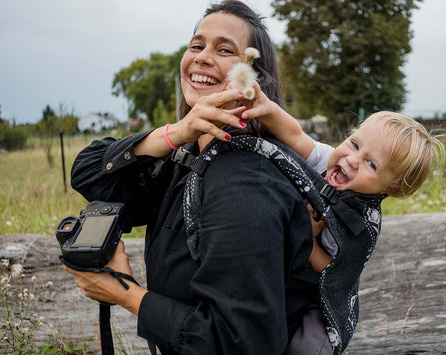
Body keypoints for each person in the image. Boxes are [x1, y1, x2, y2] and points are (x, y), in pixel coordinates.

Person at [65, 1, 317, 354]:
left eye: (224, 49)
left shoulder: (246, 183)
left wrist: (125, 292)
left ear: (254, 79)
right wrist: (174, 133)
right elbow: (88, 173)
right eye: (196, 45)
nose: (201, 57)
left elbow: (241, 344)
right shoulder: (186, 159)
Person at [239, 87, 445, 271]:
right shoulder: (328, 159)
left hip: (302, 283)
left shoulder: (360, 224)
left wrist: (306, 235)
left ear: (391, 188)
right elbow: (296, 136)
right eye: (355, 144)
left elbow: (333, 270)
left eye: (371, 164)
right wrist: (268, 108)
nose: (353, 159)